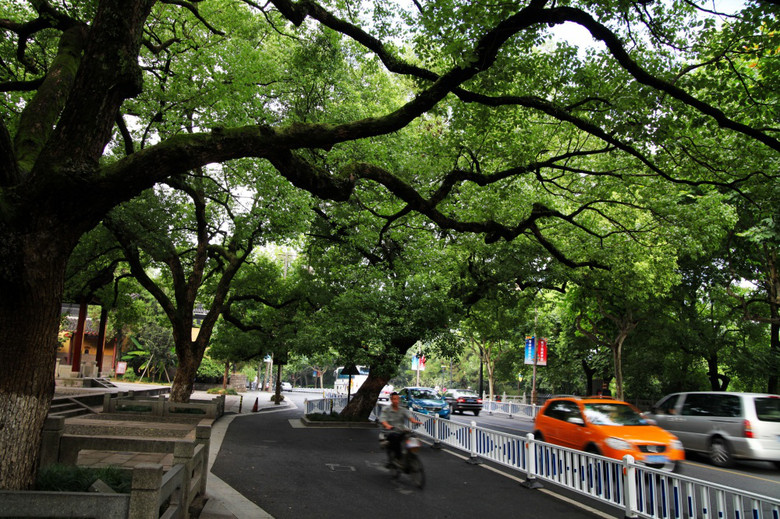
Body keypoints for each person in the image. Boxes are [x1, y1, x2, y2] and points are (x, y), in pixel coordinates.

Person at [380, 392, 422, 464]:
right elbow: (383, 420)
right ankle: (398, 458)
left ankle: (409, 455)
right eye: (394, 399)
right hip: (390, 431)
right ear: (391, 400)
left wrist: (414, 421)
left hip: (401, 430)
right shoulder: (386, 409)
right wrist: (388, 426)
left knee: (412, 437)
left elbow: (410, 417)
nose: (396, 401)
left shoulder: (402, 409)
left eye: (397, 399)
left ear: (399, 400)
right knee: (395, 440)